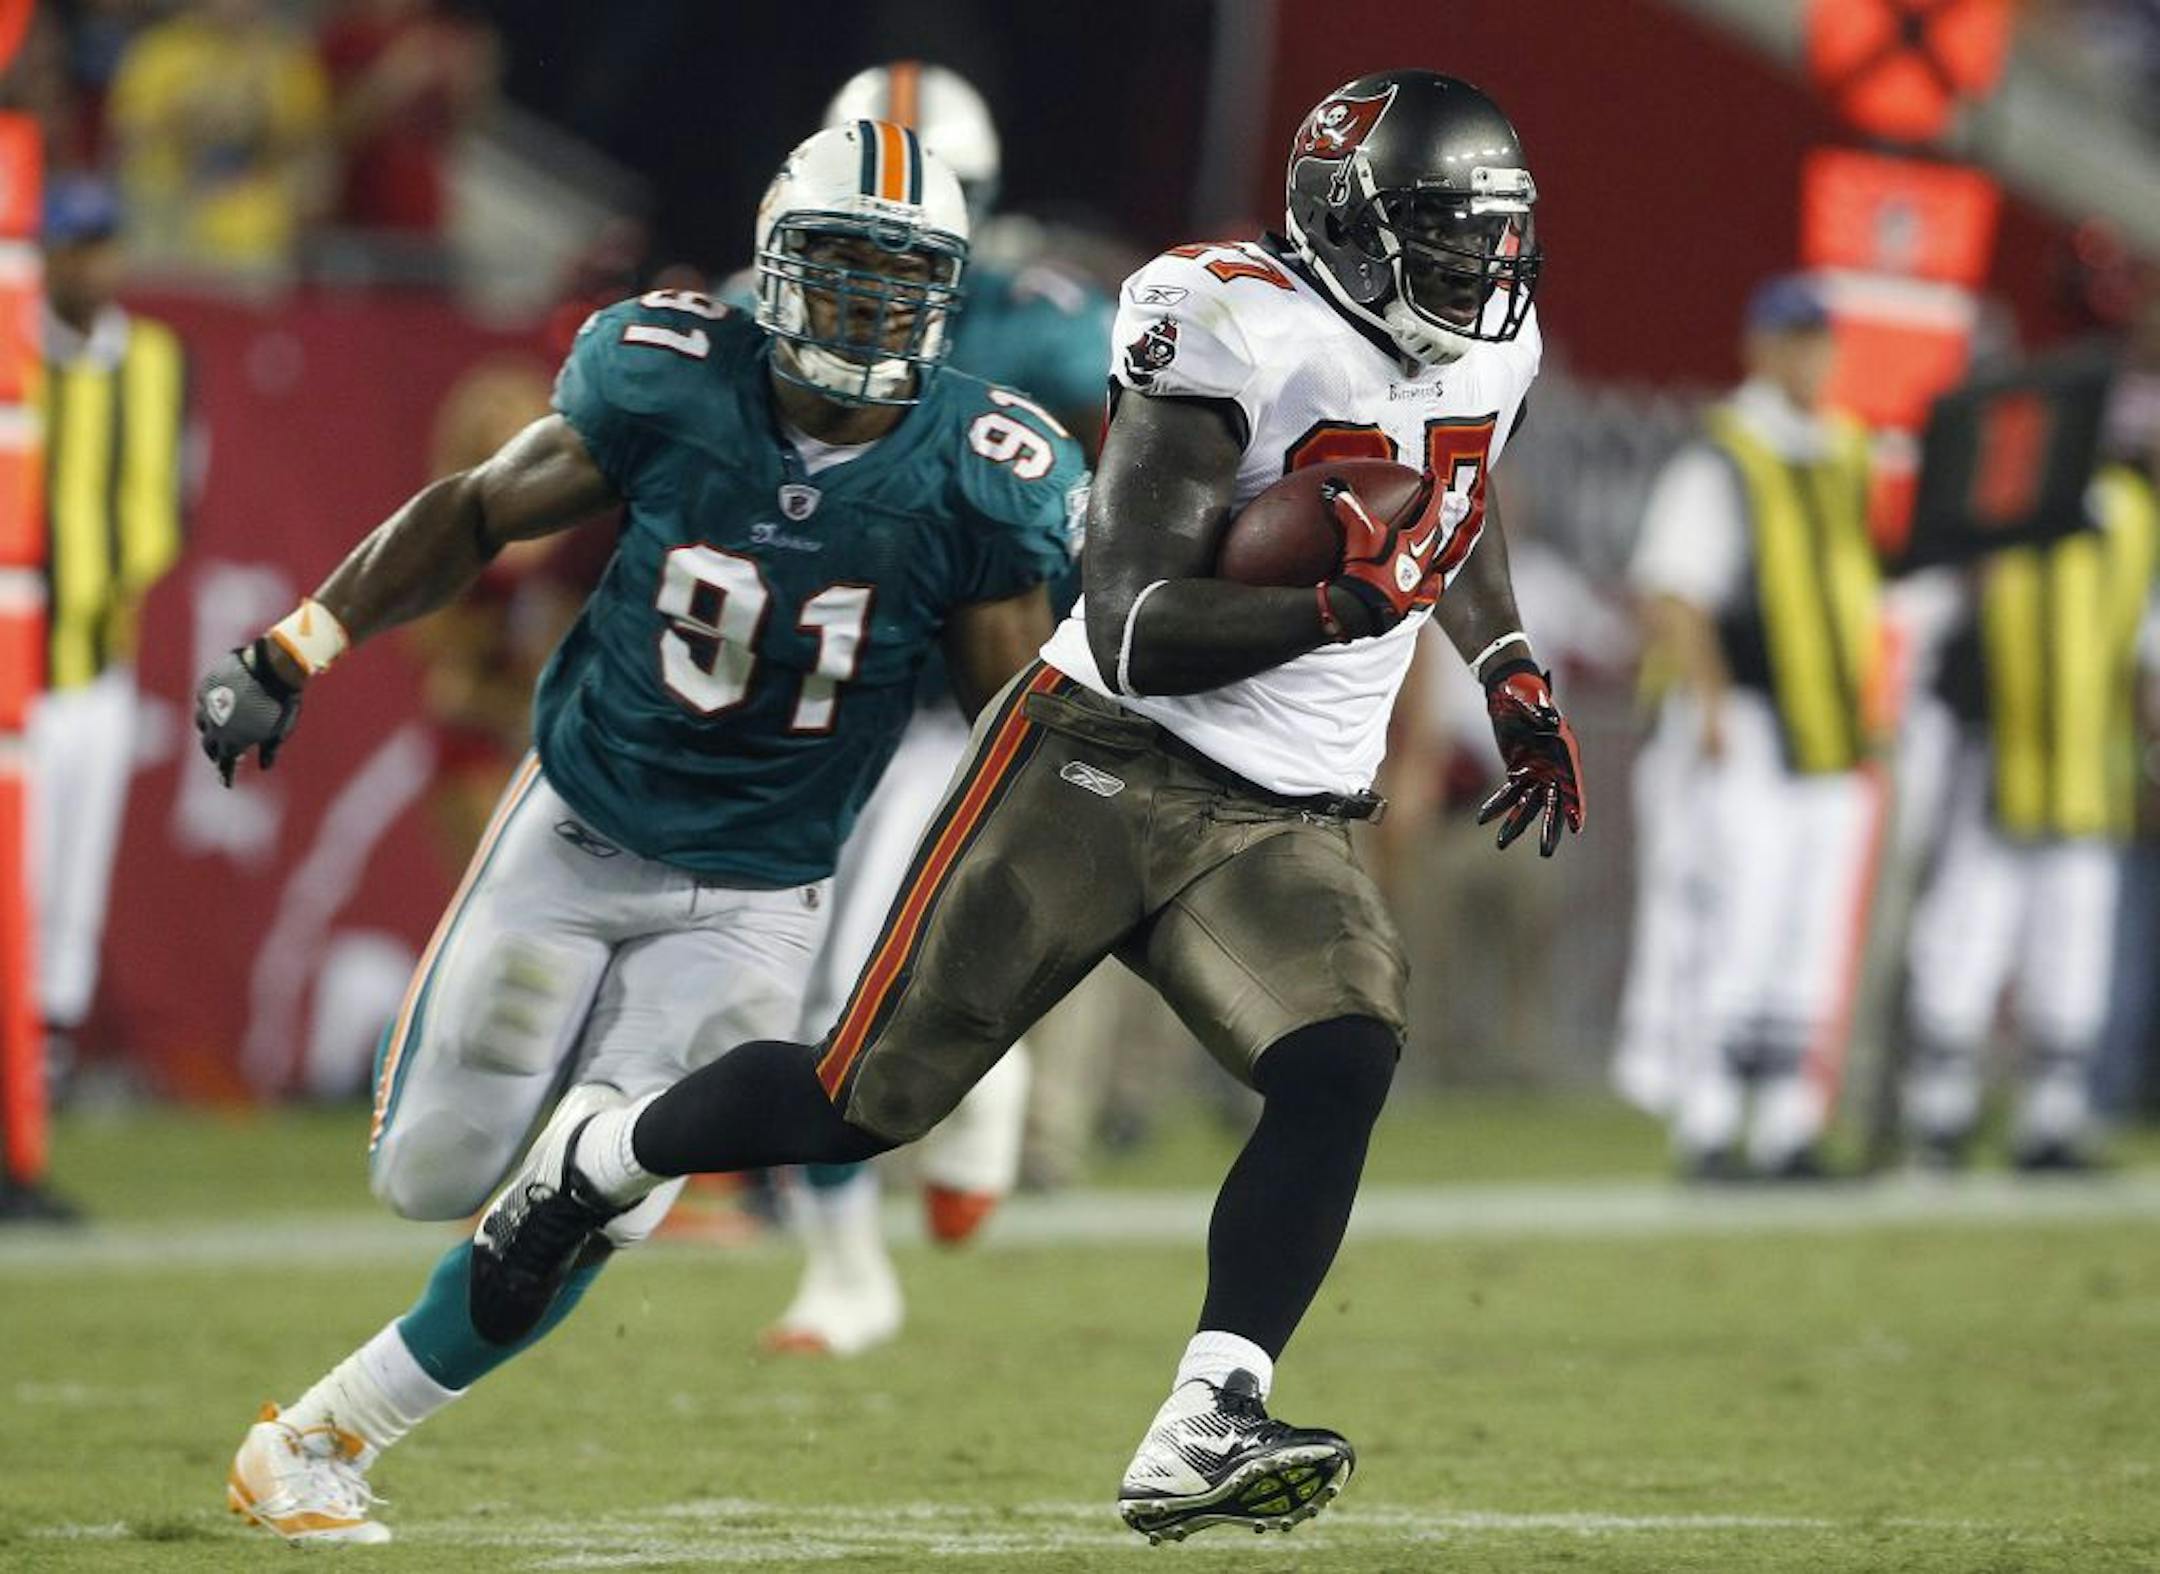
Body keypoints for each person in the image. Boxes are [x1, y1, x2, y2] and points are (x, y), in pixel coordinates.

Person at [465, 70, 1583, 1543]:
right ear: (1349, 222)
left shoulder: (1488, 351)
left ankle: (1208, 1413)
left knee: (1340, 1057)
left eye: (1491, 234)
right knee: (864, 1099)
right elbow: (1130, 625)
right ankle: (593, 1159)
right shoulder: (1225, 320)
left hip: (1284, 810)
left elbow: (1459, 484)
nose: (1477, 268)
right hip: (1101, 760)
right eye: (1443, 233)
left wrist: (1502, 664)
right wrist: (1335, 605)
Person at [198, 122, 1082, 1543]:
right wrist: (295, 646)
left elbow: (1009, 727)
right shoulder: (671, 379)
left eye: (901, 278)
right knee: (430, 1172)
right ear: (775, 268)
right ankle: (494, 1161)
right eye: (842, 269)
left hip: (761, 890)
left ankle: (321, 1434)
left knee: (599, 1199)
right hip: (581, 831)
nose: (867, 308)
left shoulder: (982, 471)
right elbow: (481, 508)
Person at [756, 59, 1116, 1358]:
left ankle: (972, 1096)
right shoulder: (761, 314)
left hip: (946, 703)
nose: (881, 241)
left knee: (863, 981)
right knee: (794, 992)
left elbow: (1150, 428)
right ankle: (852, 1257)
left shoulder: (1037, 319)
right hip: (805, 697)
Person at [1616, 274, 1884, 1179]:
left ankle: (1787, 1126)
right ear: (1760, 350)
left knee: (1808, 932)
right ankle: (1709, 1120)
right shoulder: (1724, 453)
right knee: (1739, 920)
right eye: (1795, 340)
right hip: (1754, 723)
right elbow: (1672, 591)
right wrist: (1714, 705)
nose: (1812, 357)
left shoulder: (1842, 451)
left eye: (1821, 340)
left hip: (1831, 729)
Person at [9, 175, 190, 1223]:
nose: (88, 267)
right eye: (70, 247)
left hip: (96, 676)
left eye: (101, 245)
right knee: (16, 901)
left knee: (67, 913)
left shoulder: (158, 362)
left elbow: (164, 509)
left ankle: (30, 1135)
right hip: (14, 685)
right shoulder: (12, 346)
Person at [1901, 460, 2160, 1169]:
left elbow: (2142, 649)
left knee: (2074, 945)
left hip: (2086, 772)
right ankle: (1939, 1112)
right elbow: (1932, 619)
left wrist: (2143, 760)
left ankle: (2053, 1119)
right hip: (2000, 759)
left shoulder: (2129, 514)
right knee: (1966, 932)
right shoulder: (2001, 504)